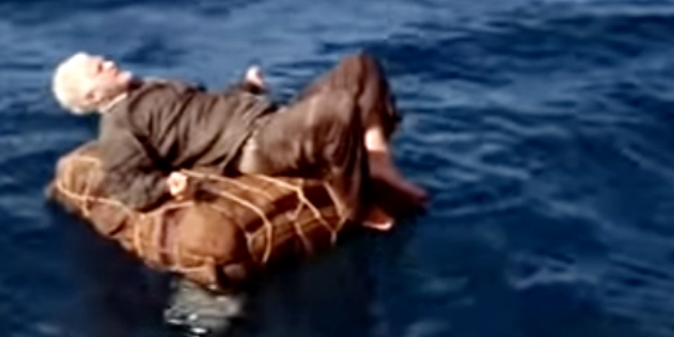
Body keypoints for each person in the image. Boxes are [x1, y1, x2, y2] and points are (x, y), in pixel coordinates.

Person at [50, 50, 427, 230]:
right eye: (99, 68)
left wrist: (245, 88)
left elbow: (207, 111)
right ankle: (357, 206)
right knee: (339, 108)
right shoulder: (120, 127)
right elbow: (126, 185)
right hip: (252, 146)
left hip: (267, 118)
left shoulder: (149, 88)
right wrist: (166, 185)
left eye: (102, 59)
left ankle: (377, 159)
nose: (109, 62)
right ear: (93, 97)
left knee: (361, 66)